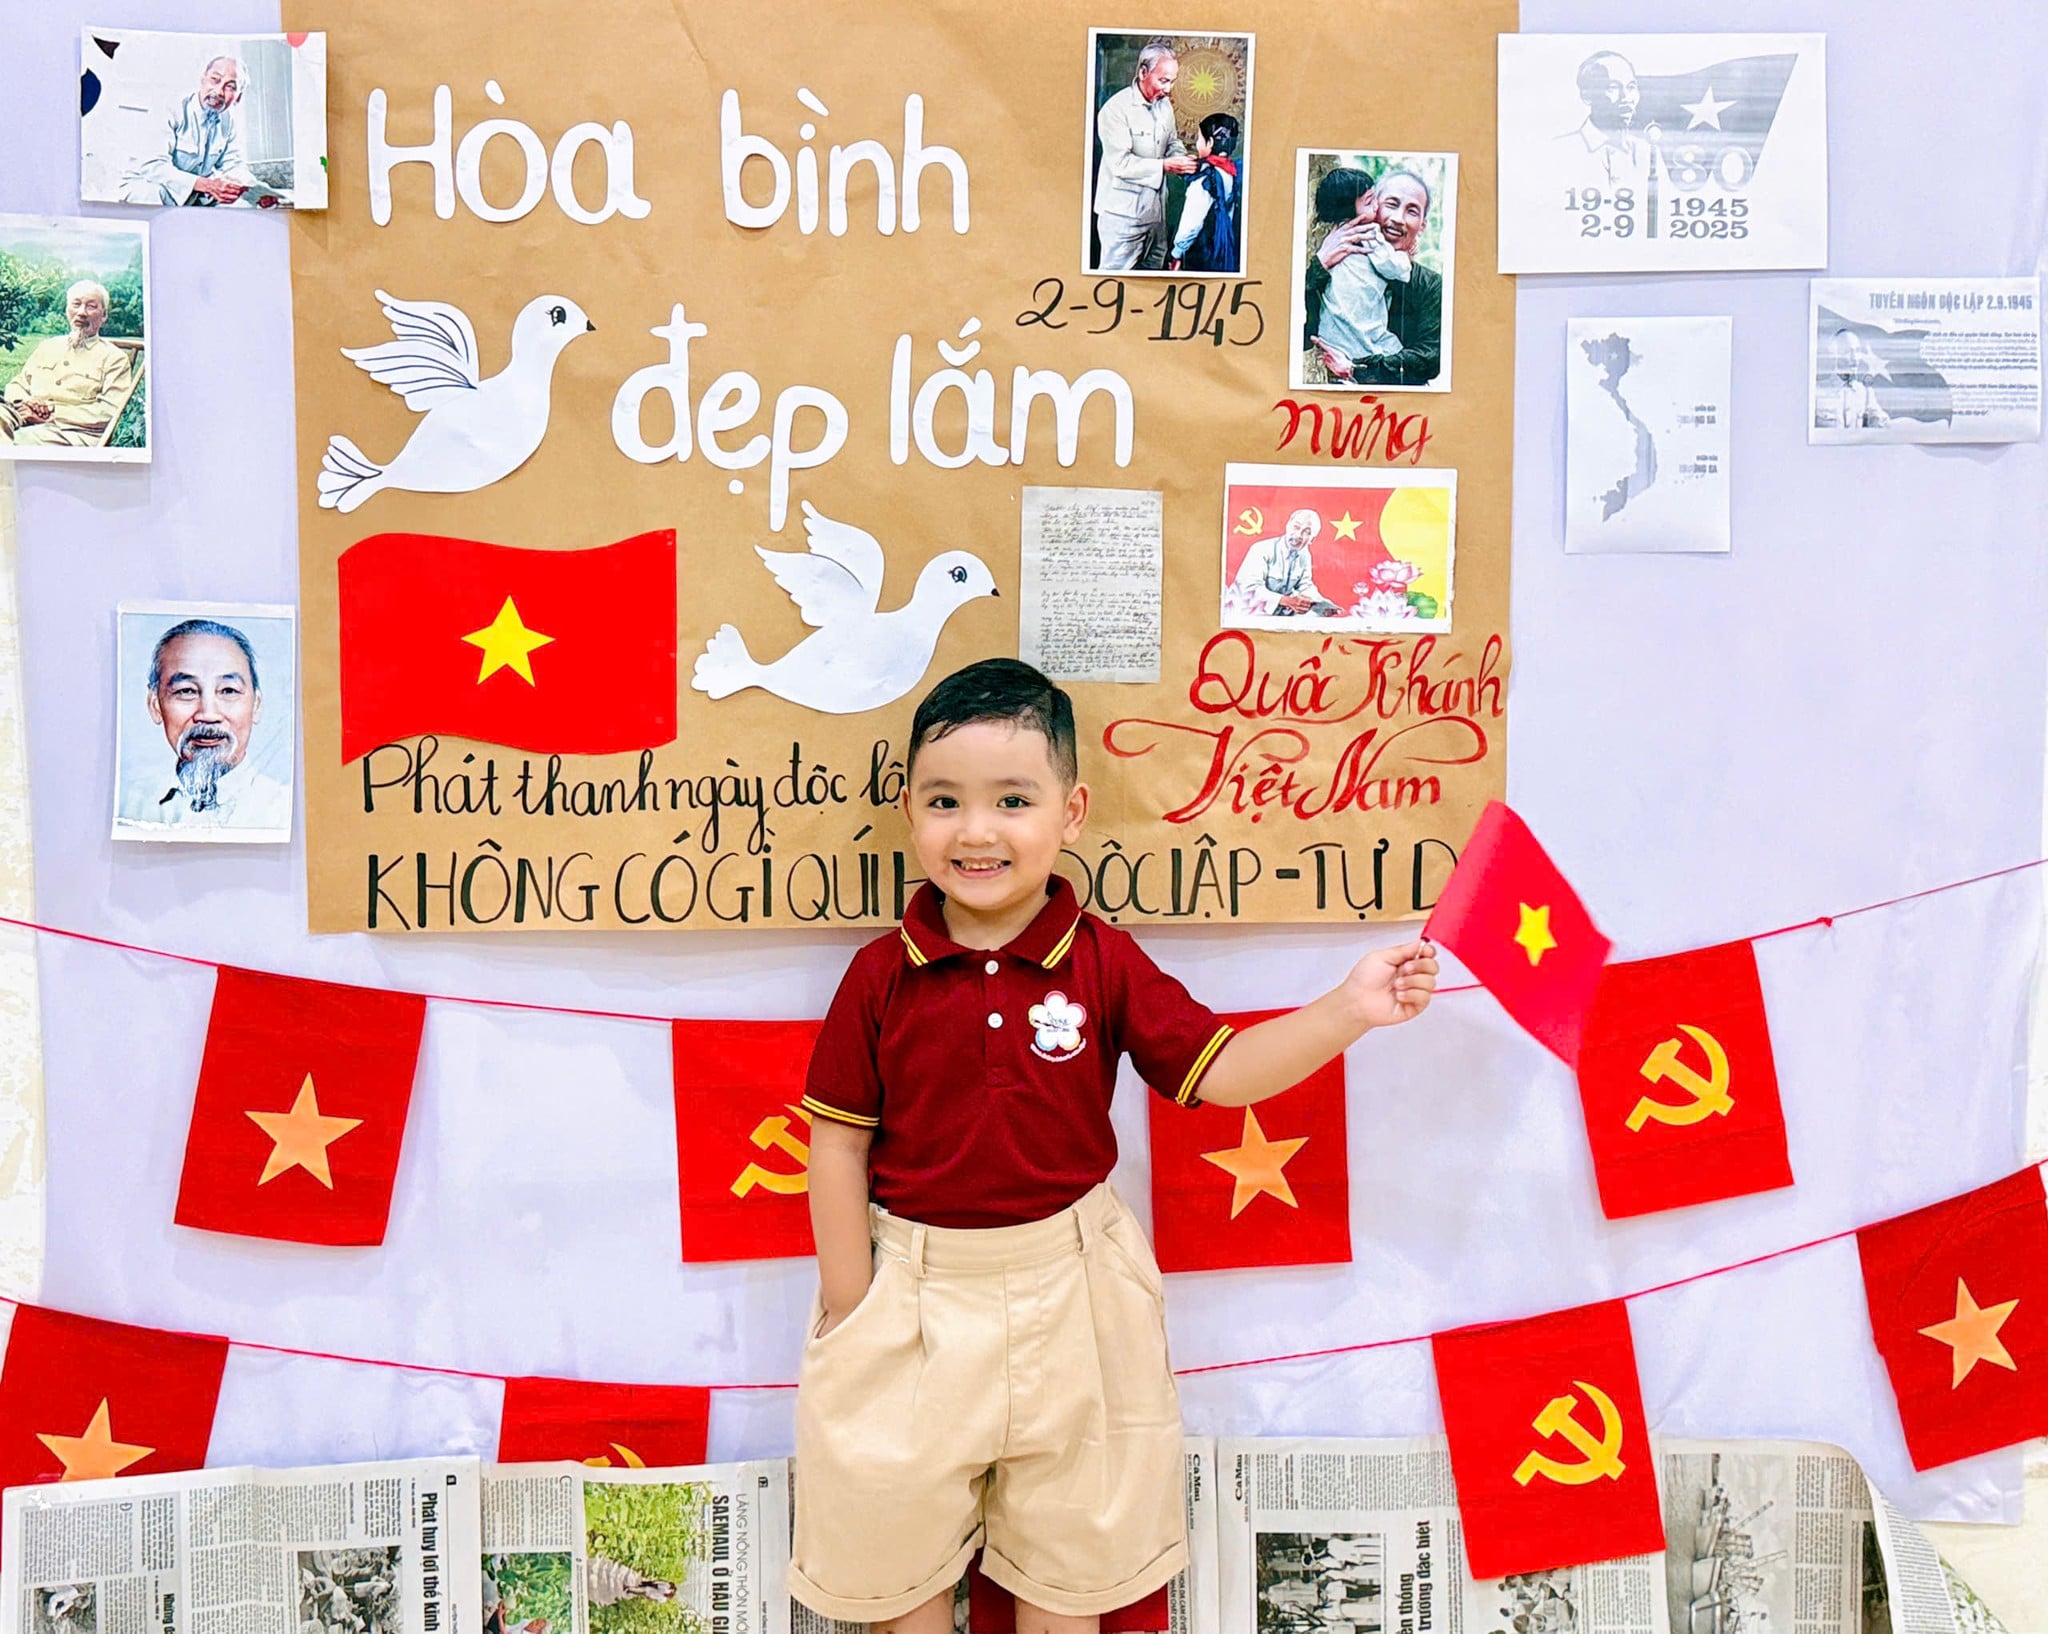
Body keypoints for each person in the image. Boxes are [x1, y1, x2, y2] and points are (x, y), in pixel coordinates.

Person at [787, 659, 1437, 1633]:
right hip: (911, 1295)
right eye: (944, 800)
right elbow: (836, 1144)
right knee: (892, 1567)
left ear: (1072, 811)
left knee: (1074, 1573)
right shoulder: (880, 974)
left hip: (1075, 1294)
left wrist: (1347, 1008)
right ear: (909, 810)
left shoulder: (1102, 959)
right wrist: (853, 1307)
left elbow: (1220, 1071)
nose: (976, 830)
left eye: (1013, 800)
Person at [120, 617, 290, 831]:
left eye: (228, 690)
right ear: (155, 705)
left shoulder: (283, 810)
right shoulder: (129, 808)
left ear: (256, 704)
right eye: (186, 691)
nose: (208, 715)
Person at [1302, 167, 1442, 386]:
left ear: (1422, 226)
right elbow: (1298, 332)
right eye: (1391, 204)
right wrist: (1319, 266)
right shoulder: (1331, 256)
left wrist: (1356, 369)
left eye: (1412, 211)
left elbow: (1429, 359)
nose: (1398, 219)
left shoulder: (1431, 285)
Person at [1092, 40, 1199, 272]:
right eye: (1163, 81)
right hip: (1122, 221)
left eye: (1172, 81)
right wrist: (1166, 166)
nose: (1169, 89)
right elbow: (1120, 164)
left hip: (1156, 217)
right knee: (1114, 282)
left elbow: (1172, 142)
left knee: (1153, 280)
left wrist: (1183, 160)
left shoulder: (1164, 105)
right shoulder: (1115, 110)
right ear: (1143, 72)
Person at [119, 54, 270, 207]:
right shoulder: (170, 108)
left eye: (230, 87)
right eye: (215, 79)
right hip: (149, 187)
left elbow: (233, 165)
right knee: (153, 194)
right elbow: (153, 166)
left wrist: (255, 192)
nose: (219, 91)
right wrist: (208, 185)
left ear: (238, 97)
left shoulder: (227, 120)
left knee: (244, 206)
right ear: (203, 79)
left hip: (193, 196)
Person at [0, 281, 133, 448]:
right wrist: (25, 402)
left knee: (17, 442)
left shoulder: (115, 358)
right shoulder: (48, 346)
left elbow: (109, 411)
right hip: (24, 415)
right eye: (76, 304)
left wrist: (52, 413)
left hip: (72, 431)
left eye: (91, 306)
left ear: (104, 315)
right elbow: (18, 384)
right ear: (67, 309)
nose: (82, 312)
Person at [1167, 113, 1242, 274]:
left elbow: (1191, 225)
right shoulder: (1232, 172)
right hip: (1225, 246)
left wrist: (1176, 253)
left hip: (1203, 251)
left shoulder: (1204, 179)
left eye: (1200, 139)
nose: (1197, 143)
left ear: (1211, 142)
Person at [1560, 52, 1646, 191]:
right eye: (1613, 87)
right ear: (1587, 95)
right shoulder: (1563, 150)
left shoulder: (1647, 152)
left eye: (1631, 87)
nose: (1626, 97)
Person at [1232, 508, 1339, 618]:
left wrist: (1321, 604)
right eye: (1296, 527)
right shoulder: (1261, 549)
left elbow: (1304, 585)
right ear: (1288, 525)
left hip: (1279, 615)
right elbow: (1249, 590)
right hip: (1245, 612)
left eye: (1307, 532)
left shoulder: (1304, 555)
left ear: (1312, 540)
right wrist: (1287, 601)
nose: (1298, 535)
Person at [585, 1556, 677, 1608]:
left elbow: (651, 1585)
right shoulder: (661, 1596)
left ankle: (591, 1572)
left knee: (613, 1577)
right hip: (637, 1586)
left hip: (638, 1582)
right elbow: (646, 1591)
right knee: (613, 1584)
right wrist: (631, 1590)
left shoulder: (662, 1590)